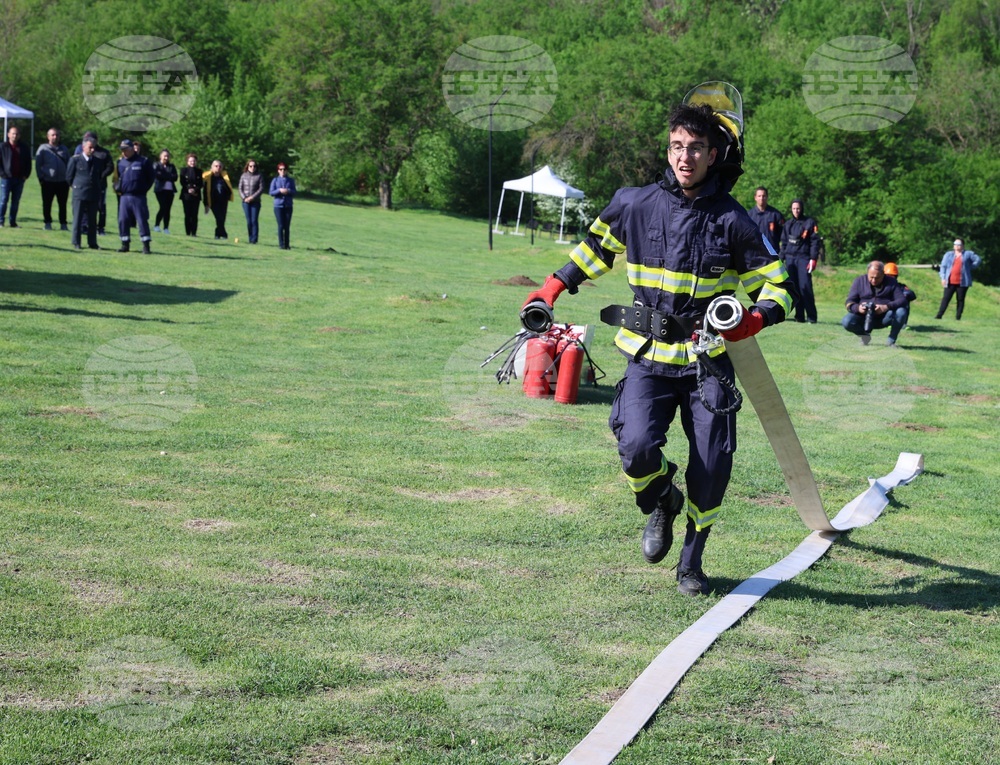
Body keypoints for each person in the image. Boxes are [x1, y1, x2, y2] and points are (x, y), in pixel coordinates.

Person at [521, 87, 792, 596]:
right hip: (647, 357)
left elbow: (779, 288)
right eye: (675, 146)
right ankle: (661, 498)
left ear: (714, 155)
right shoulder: (634, 203)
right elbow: (594, 249)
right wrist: (550, 290)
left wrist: (750, 321)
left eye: (694, 148)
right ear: (667, 150)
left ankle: (691, 562)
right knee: (637, 447)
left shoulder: (735, 221)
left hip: (707, 361)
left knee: (712, 465)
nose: (684, 157)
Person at [841, 261, 907, 346]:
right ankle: (865, 337)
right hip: (863, 316)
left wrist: (886, 307)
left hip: (884, 317)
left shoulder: (891, 282)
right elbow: (849, 301)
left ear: (883, 274)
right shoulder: (859, 281)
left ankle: (891, 341)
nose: (874, 280)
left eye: (877, 278)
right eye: (871, 277)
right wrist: (858, 308)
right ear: (867, 272)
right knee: (846, 321)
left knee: (901, 311)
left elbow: (902, 300)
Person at [779, 199, 820, 323]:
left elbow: (814, 242)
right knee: (794, 289)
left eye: (798, 208)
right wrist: (781, 259)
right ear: (791, 210)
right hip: (790, 259)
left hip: (803, 258)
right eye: (794, 209)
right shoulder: (788, 224)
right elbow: (784, 243)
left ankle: (812, 317)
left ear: (802, 208)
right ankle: (799, 316)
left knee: (805, 287)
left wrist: (813, 258)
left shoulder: (809, 223)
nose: (796, 211)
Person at [65, 135, 108, 250]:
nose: (92, 150)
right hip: (79, 192)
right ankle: (76, 242)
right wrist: (75, 187)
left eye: (94, 147)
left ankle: (92, 242)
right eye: (90, 147)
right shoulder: (75, 160)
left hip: (93, 193)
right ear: (83, 147)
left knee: (92, 220)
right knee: (78, 218)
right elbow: (69, 177)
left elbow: (99, 176)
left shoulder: (98, 161)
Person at [115, 139, 155, 253]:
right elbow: (116, 178)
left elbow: (151, 177)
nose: (123, 152)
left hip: (139, 196)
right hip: (124, 196)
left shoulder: (143, 161)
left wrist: (143, 189)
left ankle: (146, 246)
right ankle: (125, 244)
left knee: (142, 220)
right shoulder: (120, 162)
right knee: (123, 220)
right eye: (122, 150)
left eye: (125, 150)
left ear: (132, 149)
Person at [74, 131, 113, 236]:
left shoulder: (103, 153)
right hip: (86, 185)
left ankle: (101, 228)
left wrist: (101, 175)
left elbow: (110, 167)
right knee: (85, 206)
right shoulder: (81, 149)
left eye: (91, 139)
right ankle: (85, 226)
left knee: (101, 207)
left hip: (100, 185)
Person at [935, 238, 982, 320]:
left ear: (963, 246)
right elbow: (943, 267)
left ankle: (958, 316)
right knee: (946, 298)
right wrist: (943, 278)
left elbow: (978, 259)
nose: (956, 246)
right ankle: (939, 315)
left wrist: (970, 267)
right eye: (955, 244)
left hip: (962, 282)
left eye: (959, 244)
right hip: (950, 281)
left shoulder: (968, 254)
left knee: (960, 299)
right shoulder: (948, 255)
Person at [35, 127, 71, 231]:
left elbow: (70, 163)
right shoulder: (43, 149)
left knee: (63, 204)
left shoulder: (64, 149)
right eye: (53, 135)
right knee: (47, 203)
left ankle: (63, 224)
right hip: (48, 181)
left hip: (62, 182)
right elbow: (38, 165)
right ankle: (47, 223)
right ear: (48, 136)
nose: (55, 137)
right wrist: (41, 178)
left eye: (57, 135)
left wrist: (68, 178)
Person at [0, 125, 32, 228]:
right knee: (4, 200)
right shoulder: (3, 147)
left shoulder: (24, 147)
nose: (15, 135)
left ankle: (12, 222)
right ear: (8, 134)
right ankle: (0, 221)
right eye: (13, 133)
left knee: (15, 202)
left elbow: (28, 162)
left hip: (19, 178)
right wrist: (3, 174)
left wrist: (25, 175)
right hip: (6, 178)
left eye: (17, 133)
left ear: (19, 135)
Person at [746, 186, 783, 252]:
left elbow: (783, 235)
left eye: (764, 196)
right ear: (755, 197)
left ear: (767, 197)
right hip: (755, 252)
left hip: (772, 252)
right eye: (759, 196)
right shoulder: (749, 215)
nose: (761, 198)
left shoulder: (776, 214)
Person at [203, 159, 233, 240]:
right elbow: (205, 192)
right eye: (216, 166)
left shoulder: (224, 178)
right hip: (213, 201)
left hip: (223, 202)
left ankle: (218, 234)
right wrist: (206, 204)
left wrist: (227, 195)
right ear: (212, 167)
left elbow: (229, 188)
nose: (218, 168)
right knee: (219, 218)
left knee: (222, 219)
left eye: (220, 166)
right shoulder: (208, 178)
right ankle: (224, 234)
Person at [269, 162, 296, 249]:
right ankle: (281, 244)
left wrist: (288, 191)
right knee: (281, 225)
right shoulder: (275, 180)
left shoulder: (290, 180)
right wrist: (279, 190)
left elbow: (294, 192)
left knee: (287, 226)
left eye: (284, 169)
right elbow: (271, 192)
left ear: (287, 170)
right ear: (278, 170)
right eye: (281, 169)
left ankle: (287, 245)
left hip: (288, 206)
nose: (282, 171)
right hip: (278, 206)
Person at [883, 262, 916, 329]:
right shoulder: (880, 287)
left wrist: (904, 295)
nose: (890, 279)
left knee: (904, 301)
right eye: (888, 276)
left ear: (896, 277)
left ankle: (902, 323)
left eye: (892, 276)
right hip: (885, 313)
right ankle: (888, 322)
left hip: (899, 312)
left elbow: (912, 295)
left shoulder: (900, 287)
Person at [238, 159, 264, 244]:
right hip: (245, 202)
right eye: (251, 166)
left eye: (254, 166)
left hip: (255, 202)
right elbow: (240, 188)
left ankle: (254, 239)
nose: (253, 168)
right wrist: (244, 198)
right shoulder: (243, 176)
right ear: (247, 167)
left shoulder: (259, 176)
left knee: (254, 220)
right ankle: (250, 238)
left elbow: (261, 189)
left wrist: (252, 197)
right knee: (249, 221)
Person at [152, 149, 178, 234]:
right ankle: (156, 225)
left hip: (170, 190)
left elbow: (175, 177)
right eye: (164, 156)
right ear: (160, 156)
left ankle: (166, 228)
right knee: (163, 207)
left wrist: (165, 175)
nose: (166, 158)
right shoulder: (156, 165)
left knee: (168, 209)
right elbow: (157, 175)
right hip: (160, 190)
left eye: (167, 156)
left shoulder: (172, 166)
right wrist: (168, 176)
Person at [179, 153, 204, 236]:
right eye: (190, 161)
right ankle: (187, 232)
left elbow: (201, 183)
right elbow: (182, 182)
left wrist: (195, 190)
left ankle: (194, 232)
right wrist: (188, 189)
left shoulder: (199, 171)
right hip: (186, 195)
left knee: (194, 214)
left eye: (194, 161)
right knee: (187, 214)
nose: (192, 162)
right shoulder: (183, 170)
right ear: (187, 162)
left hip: (196, 196)